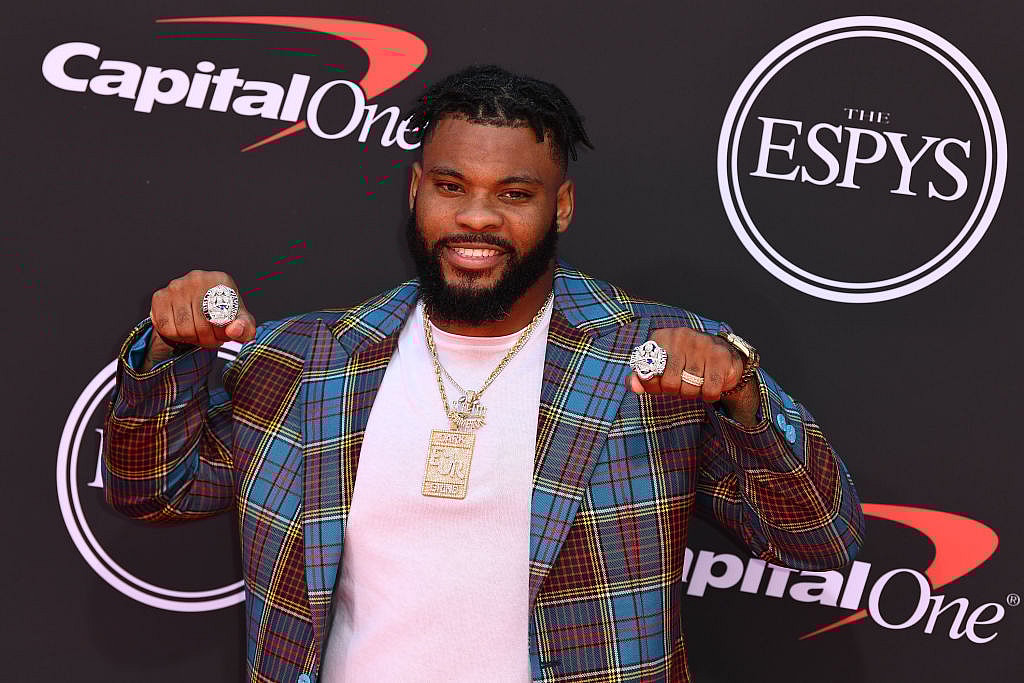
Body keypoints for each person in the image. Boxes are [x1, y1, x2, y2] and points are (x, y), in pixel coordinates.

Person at [104, 65, 865, 683]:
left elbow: (820, 541)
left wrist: (745, 397)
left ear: (561, 207)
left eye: (514, 194)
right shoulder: (304, 360)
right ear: (415, 190)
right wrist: (169, 350)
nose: (476, 217)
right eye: (451, 186)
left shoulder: (655, 357)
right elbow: (151, 490)